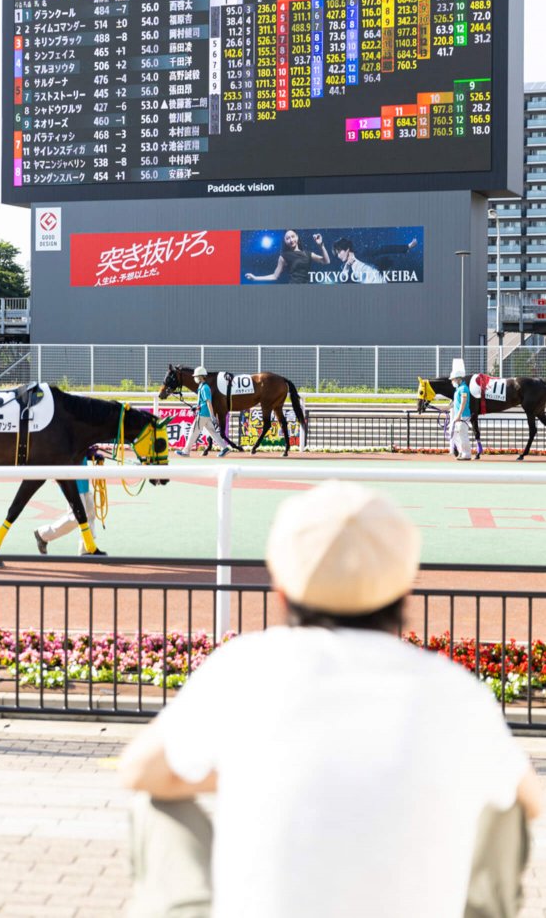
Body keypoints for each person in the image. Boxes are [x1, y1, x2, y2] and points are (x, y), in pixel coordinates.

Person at [119, 480, 540, 918]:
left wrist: (266, 770)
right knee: (502, 810)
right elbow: (527, 798)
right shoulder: (453, 690)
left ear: (280, 588)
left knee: (155, 801)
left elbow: (138, 769)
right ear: (404, 589)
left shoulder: (245, 666)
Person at [33, 446, 107, 556]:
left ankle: (86, 549)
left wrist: (89, 454)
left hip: (83, 478)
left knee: (90, 514)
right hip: (70, 482)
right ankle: (43, 534)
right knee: (75, 518)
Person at [175, 367, 229, 458]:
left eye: (196, 376)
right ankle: (224, 448)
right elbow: (203, 402)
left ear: (200, 377)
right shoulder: (202, 387)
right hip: (204, 413)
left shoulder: (205, 388)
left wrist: (212, 416)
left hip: (203, 414)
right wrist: (196, 407)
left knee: (193, 431)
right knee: (212, 432)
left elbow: (208, 402)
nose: (194, 378)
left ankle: (186, 451)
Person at [244, 229, 330, 284]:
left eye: (293, 236)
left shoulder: (308, 253)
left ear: (297, 237)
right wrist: (255, 278)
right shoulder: (284, 256)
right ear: (285, 241)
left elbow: (326, 261)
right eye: (287, 238)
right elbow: (274, 276)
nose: (291, 240)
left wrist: (321, 245)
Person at [450, 357, 472, 461]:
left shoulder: (463, 388)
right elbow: (456, 402)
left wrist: (458, 414)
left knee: (463, 435)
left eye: (453, 379)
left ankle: (466, 454)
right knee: (458, 435)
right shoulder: (458, 389)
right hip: (459, 415)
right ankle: (462, 452)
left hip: (462, 416)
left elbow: (463, 402)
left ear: (458, 379)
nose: (452, 381)